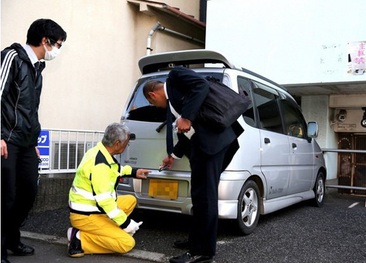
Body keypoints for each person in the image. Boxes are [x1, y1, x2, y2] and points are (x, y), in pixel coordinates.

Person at [143, 67, 243, 263]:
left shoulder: (175, 77)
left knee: (205, 197)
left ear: (152, 94)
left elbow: (202, 85)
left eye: (151, 102)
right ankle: (196, 241)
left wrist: (186, 117)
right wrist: (173, 154)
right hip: (206, 147)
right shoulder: (176, 101)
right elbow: (191, 130)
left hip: (214, 145)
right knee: (199, 197)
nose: (155, 106)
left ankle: (202, 252)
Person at [1, 18, 67, 263]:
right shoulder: (11, 58)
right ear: (44, 41)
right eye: (58, 44)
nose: (57, 50)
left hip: (26, 143)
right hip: (6, 140)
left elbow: (30, 110)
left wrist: (34, 141)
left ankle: (10, 238)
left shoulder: (37, 68)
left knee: (28, 191)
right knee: (5, 196)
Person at [67, 123, 150, 257]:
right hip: (86, 216)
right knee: (126, 243)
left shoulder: (99, 152)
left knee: (130, 200)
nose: (127, 145)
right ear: (117, 143)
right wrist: (127, 225)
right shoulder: (100, 165)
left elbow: (114, 169)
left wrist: (134, 172)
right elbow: (106, 203)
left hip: (91, 208)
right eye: (127, 143)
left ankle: (105, 231)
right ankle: (79, 239)